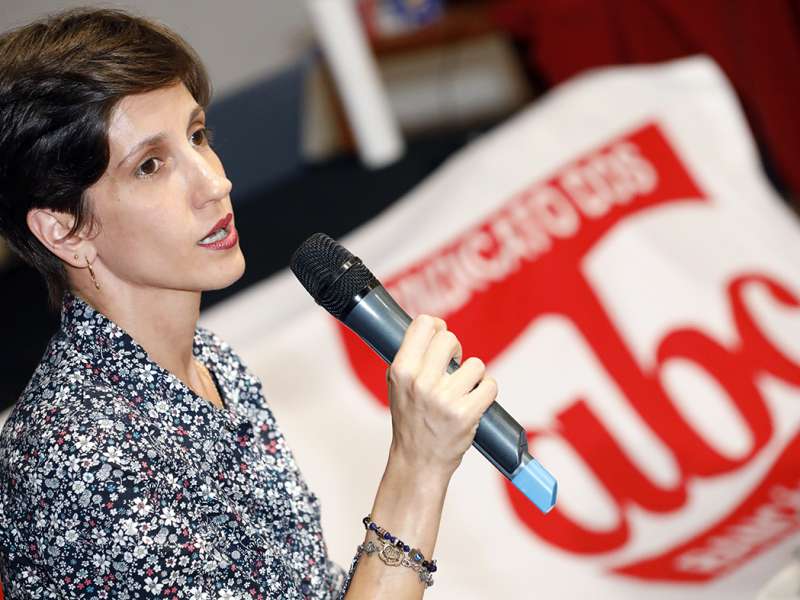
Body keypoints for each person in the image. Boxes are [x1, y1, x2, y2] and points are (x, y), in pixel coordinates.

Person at [0, 8, 498, 598]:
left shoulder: (205, 362)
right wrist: (417, 470)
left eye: (198, 135)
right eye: (151, 166)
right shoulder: (76, 460)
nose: (215, 182)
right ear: (64, 231)